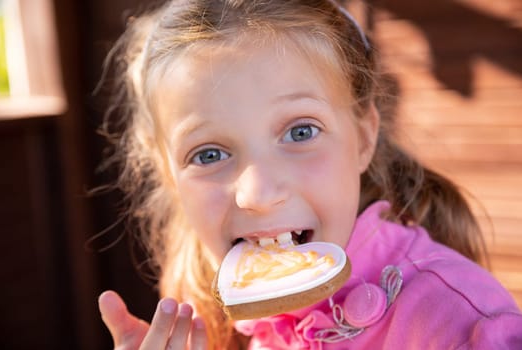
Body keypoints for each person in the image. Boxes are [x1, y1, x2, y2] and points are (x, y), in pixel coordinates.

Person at [96, 0, 522, 349]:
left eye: (301, 131)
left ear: (364, 136)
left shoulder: (461, 326)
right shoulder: (214, 326)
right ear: (169, 176)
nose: (258, 193)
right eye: (209, 154)